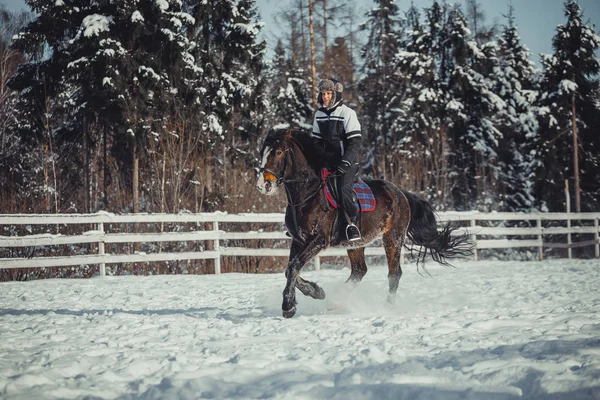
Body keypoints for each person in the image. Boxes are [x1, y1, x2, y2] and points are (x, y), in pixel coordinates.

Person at [312, 78, 362, 241]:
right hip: (327, 162)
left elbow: (355, 142)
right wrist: (321, 159)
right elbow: (316, 141)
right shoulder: (319, 114)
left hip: (346, 162)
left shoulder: (347, 113)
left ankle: (351, 224)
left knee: (342, 188)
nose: (325, 97)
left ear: (335, 94)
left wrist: (345, 163)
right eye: (323, 93)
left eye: (328, 93)